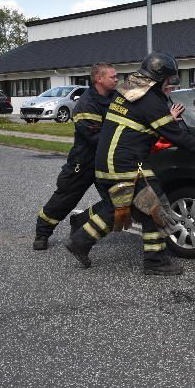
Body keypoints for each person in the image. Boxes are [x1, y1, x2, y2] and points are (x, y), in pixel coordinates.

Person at [65, 52, 195, 275]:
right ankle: (155, 262)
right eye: (169, 79)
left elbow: (140, 123)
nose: (170, 83)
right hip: (127, 165)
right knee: (155, 208)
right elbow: (176, 136)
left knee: (119, 208)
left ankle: (80, 242)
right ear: (161, 77)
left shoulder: (128, 91)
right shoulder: (150, 99)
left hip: (108, 161)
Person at [32, 63, 117, 250]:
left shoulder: (116, 98)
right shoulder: (86, 104)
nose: (117, 79)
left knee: (115, 200)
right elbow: (95, 137)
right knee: (65, 198)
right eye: (112, 77)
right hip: (84, 161)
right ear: (99, 79)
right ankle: (42, 231)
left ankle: (80, 221)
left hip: (106, 160)